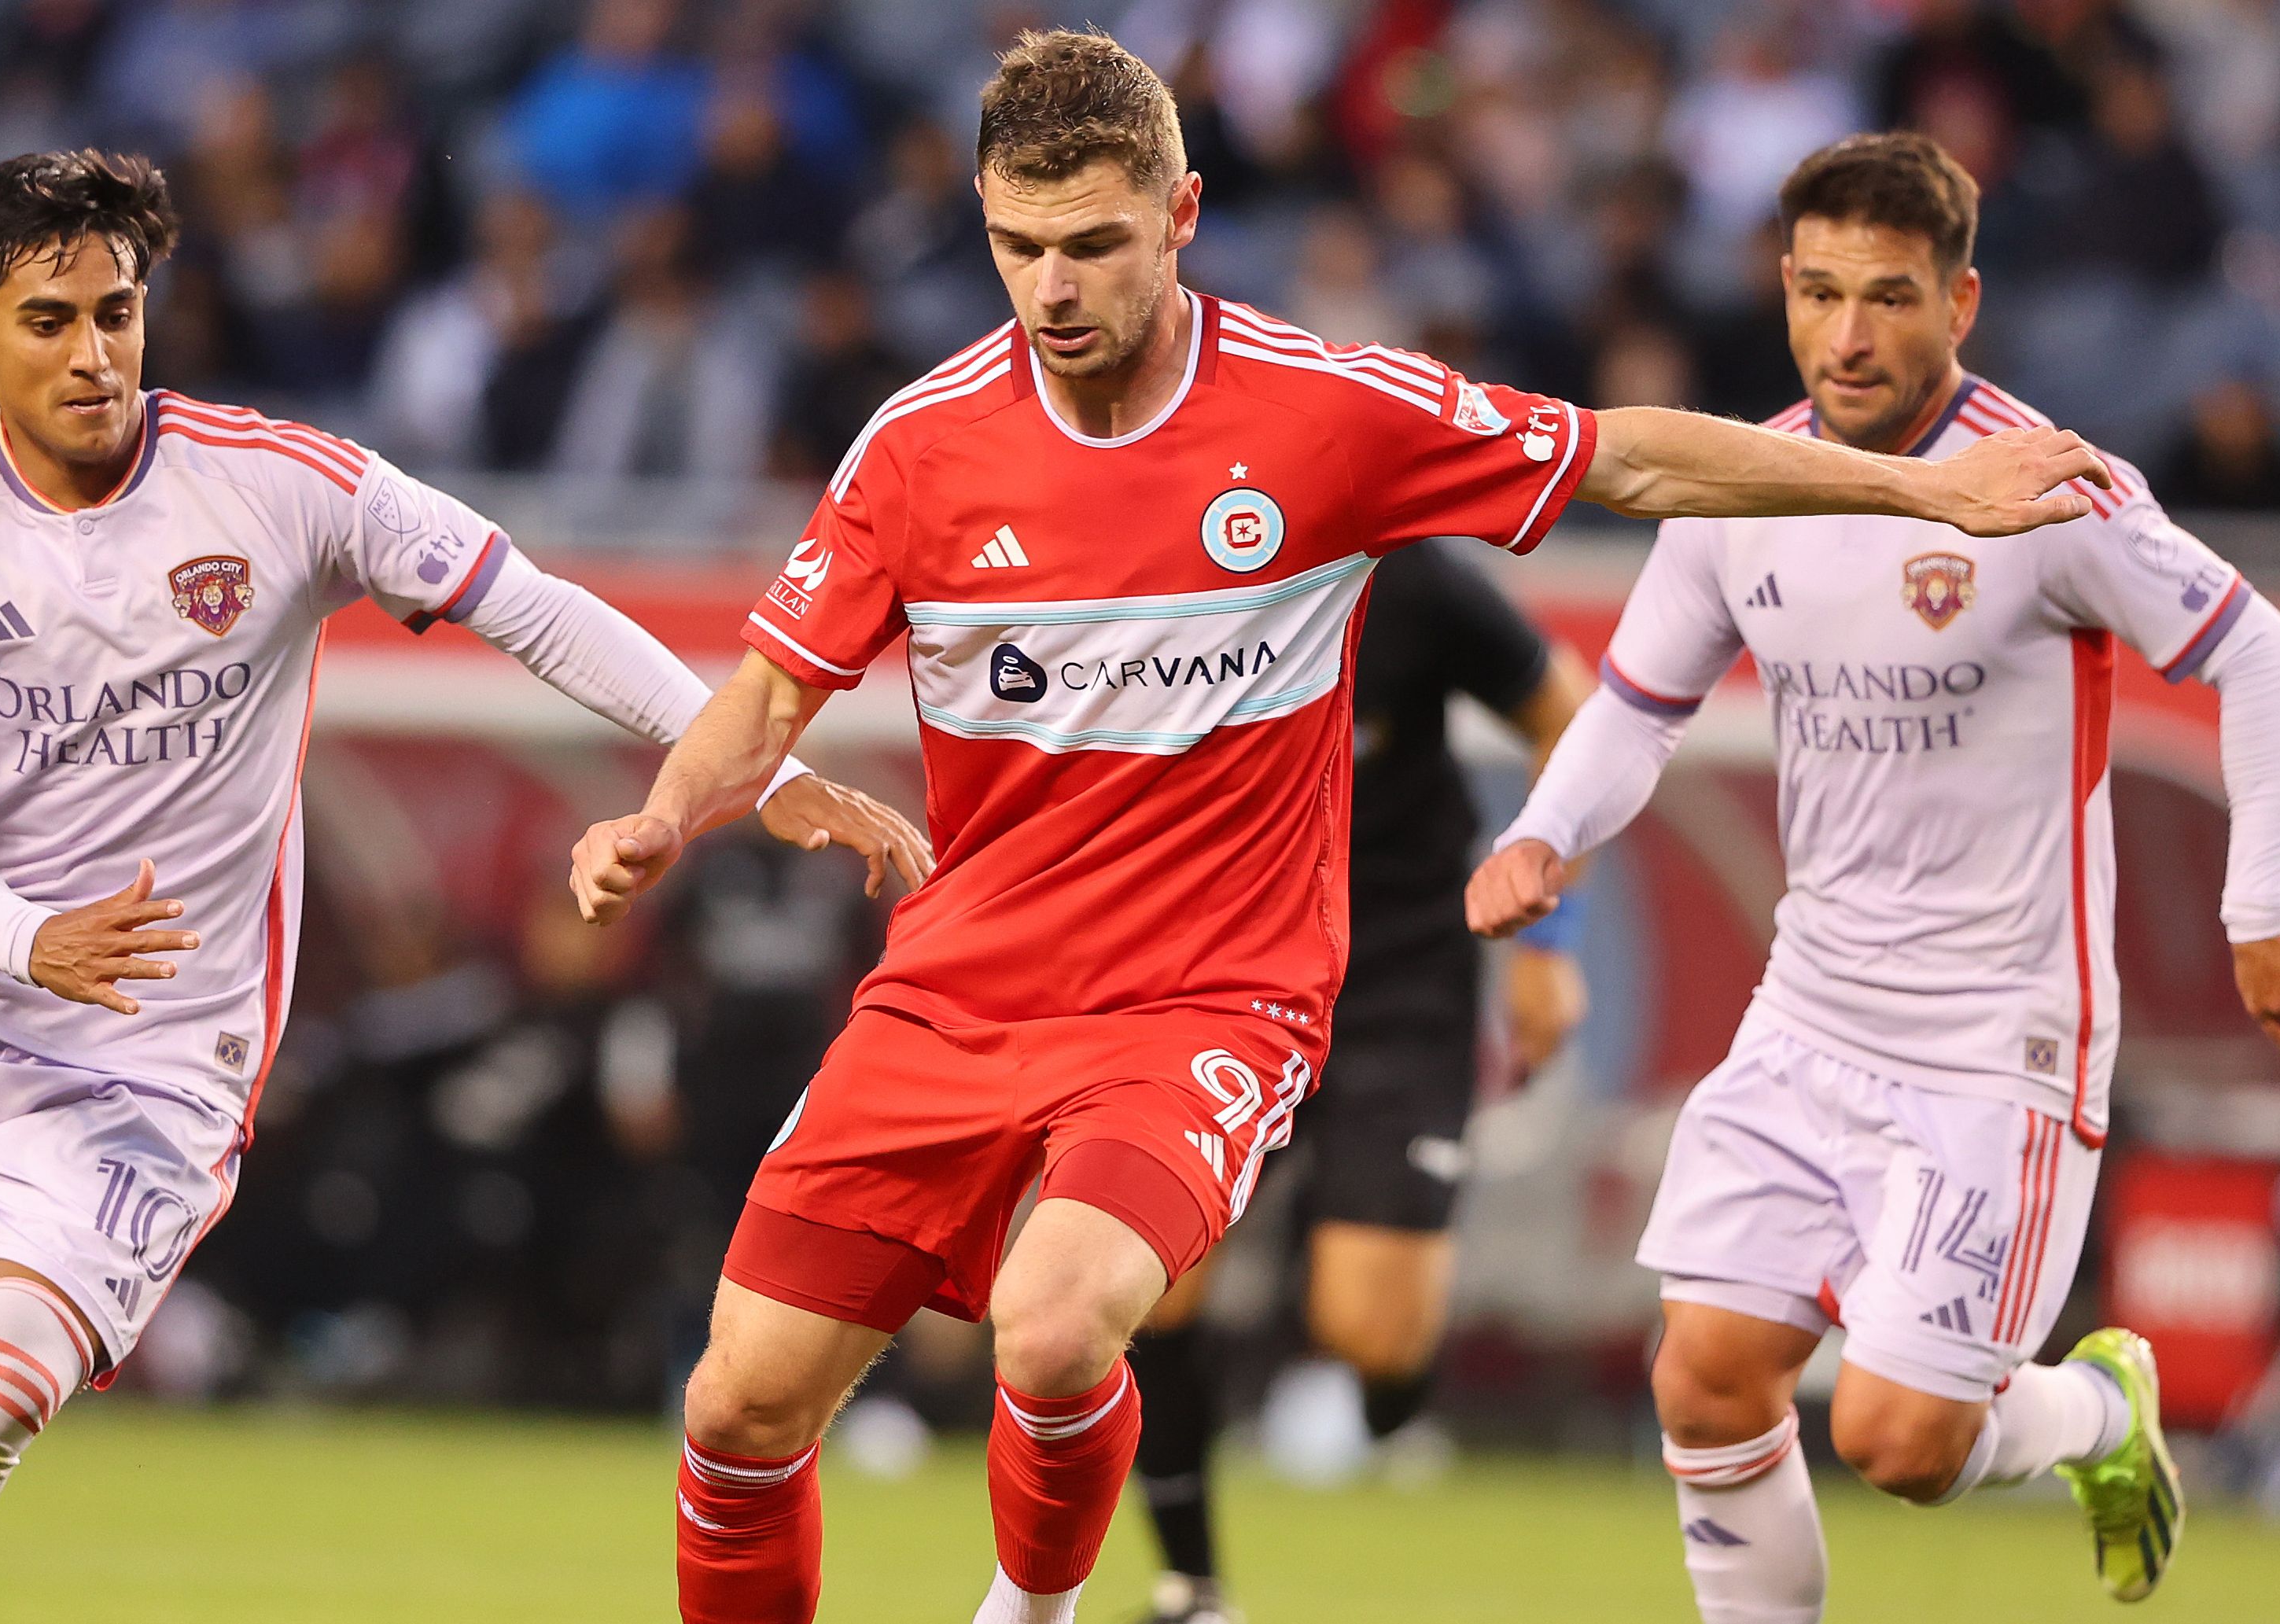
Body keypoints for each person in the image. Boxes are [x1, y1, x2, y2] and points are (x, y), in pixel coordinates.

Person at [568, 36, 2110, 1624]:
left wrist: (1920, 495)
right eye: (1017, 247)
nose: (1052, 287)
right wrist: (667, 808)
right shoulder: (918, 448)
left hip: (1204, 999)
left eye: (1093, 243)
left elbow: (1626, 450)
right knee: (738, 1408)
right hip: (956, 989)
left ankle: (1033, 1609)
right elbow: (769, 684)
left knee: (1055, 1326)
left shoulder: (1324, 414)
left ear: (1181, 213)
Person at [0, 149, 928, 1615]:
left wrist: (767, 771)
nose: (95, 355)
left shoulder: (282, 485)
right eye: (50, 321)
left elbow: (534, 607)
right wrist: (37, 940)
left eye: (118, 312)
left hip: (156, 1058)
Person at [1467, 131, 2280, 1619]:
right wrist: (1542, 836)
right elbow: (1638, 706)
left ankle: (2100, 1413)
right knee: (1705, 1382)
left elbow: (2254, 645)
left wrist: (2260, 905)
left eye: (1891, 297)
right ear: (1781, 290)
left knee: (1896, 1440)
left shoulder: (2049, 493)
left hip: (1997, 1041)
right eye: (1820, 292)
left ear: (1960, 304)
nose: (1849, 335)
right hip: (1809, 1018)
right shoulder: (1749, 492)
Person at [1127, 543, 1591, 1624]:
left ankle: (1379, 1365)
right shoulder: (1157, 569)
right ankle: (1191, 1590)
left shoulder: (1415, 580)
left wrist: (1546, 938)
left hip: (1397, 978)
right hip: (1217, 979)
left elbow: (1567, 713)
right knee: (1148, 1277)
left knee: (1373, 1330)